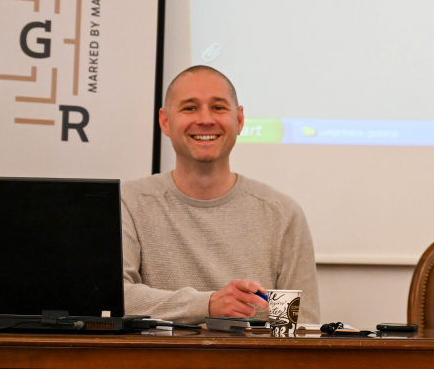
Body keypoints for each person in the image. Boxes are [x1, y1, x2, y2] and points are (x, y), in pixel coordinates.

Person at [122, 65, 320, 325]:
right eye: (190, 108)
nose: (205, 119)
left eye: (218, 107)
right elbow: (114, 299)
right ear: (165, 121)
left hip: (250, 366)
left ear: (239, 120)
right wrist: (208, 304)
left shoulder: (281, 214)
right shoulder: (129, 203)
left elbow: (298, 327)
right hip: (157, 365)